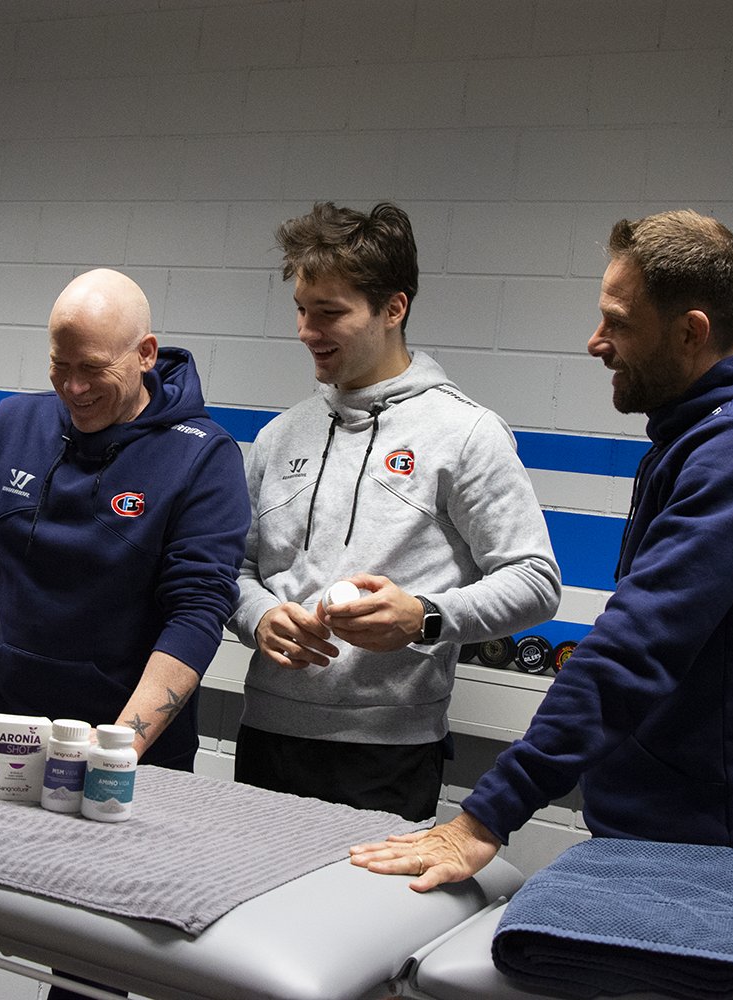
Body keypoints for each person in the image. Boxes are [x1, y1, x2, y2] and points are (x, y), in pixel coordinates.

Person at [351, 210, 733, 937]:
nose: (596, 342)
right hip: (667, 834)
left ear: (690, 332)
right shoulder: (704, 437)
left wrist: (488, 813)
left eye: (618, 322)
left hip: (712, 856)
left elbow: (635, 647)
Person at [0, 267, 251, 1000]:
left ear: (146, 353)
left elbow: (196, 613)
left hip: (126, 760)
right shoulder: (10, 425)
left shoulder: (203, 456)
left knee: (90, 972)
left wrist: (118, 748)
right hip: (3, 736)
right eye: (59, 367)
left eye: (92, 369)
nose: (73, 387)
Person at [229, 202, 562, 823]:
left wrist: (425, 617)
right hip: (266, 734)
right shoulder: (280, 436)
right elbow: (233, 569)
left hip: (387, 756)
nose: (306, 330)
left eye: (329, 313)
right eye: (302, 310)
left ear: (393, 308)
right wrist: (258, 616)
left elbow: (536, 581)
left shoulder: (466, 434)